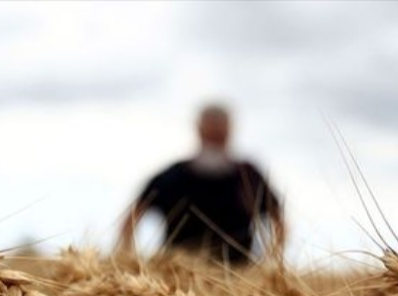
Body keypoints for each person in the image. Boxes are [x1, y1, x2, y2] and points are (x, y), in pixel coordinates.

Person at [119, 104, 285, 265]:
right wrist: (130, 262)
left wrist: (269, 262)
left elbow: (279, 221)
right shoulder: (171, 177)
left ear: (229, 132)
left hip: (238, 278)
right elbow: (131, 219)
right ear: (198, 130)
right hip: (176, 280)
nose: (214, 141)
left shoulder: (249, 176)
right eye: (210, 135)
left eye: (219, 136)